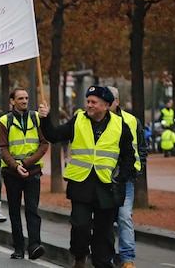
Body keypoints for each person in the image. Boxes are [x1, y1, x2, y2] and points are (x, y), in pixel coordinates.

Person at [38, 85, 136, 268]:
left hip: (107, 187)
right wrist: (45, 118)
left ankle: (102, 263)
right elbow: (53, 135)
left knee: (104, 232)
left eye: (93, 102)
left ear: (106, 105)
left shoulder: (120, 125)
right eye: (88, 101)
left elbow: (129, 155)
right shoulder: (78, 121)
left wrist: (122, 177)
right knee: (80, 227)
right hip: (81, 185)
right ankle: (79, 256)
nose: (89, 105)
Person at [0, 87, 48, 260]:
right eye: (20, 98)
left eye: (26, 98)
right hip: (12, 173)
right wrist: (15, 165)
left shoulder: (36, 118)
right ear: (12, 101)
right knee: (14, 211)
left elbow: (44, 143)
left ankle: (34, 245)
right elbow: (2, 147)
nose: (24, 101)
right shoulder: (4, 121)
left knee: (32, 210)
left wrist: (27, 163)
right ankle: (18, 247)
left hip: (33, 171)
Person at [107, 87, 147, 268]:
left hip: (126, 180)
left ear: (117, 102)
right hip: (102, 177)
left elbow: (142, 147)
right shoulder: (92, 121)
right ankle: (105, 254)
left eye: (109, 100)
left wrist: (137, 169)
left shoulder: (132, 121)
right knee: (104, 218)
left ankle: (127, 258)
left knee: (124, 216)